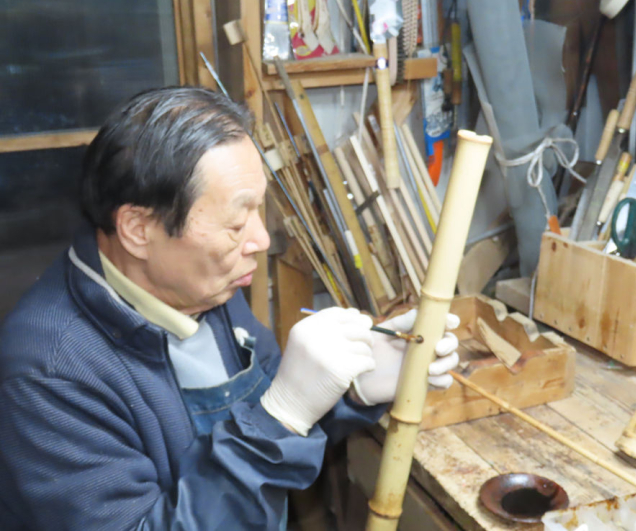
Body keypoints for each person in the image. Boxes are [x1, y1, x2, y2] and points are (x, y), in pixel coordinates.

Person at [0, 87, 460, 531]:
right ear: (138, 229)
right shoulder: (47, 376)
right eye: (237, 223)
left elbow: (272, 413)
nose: (259, 240)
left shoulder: (199, 286)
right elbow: (271, 424)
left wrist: (351, 391)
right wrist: (282, 416)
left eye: (257, 211)